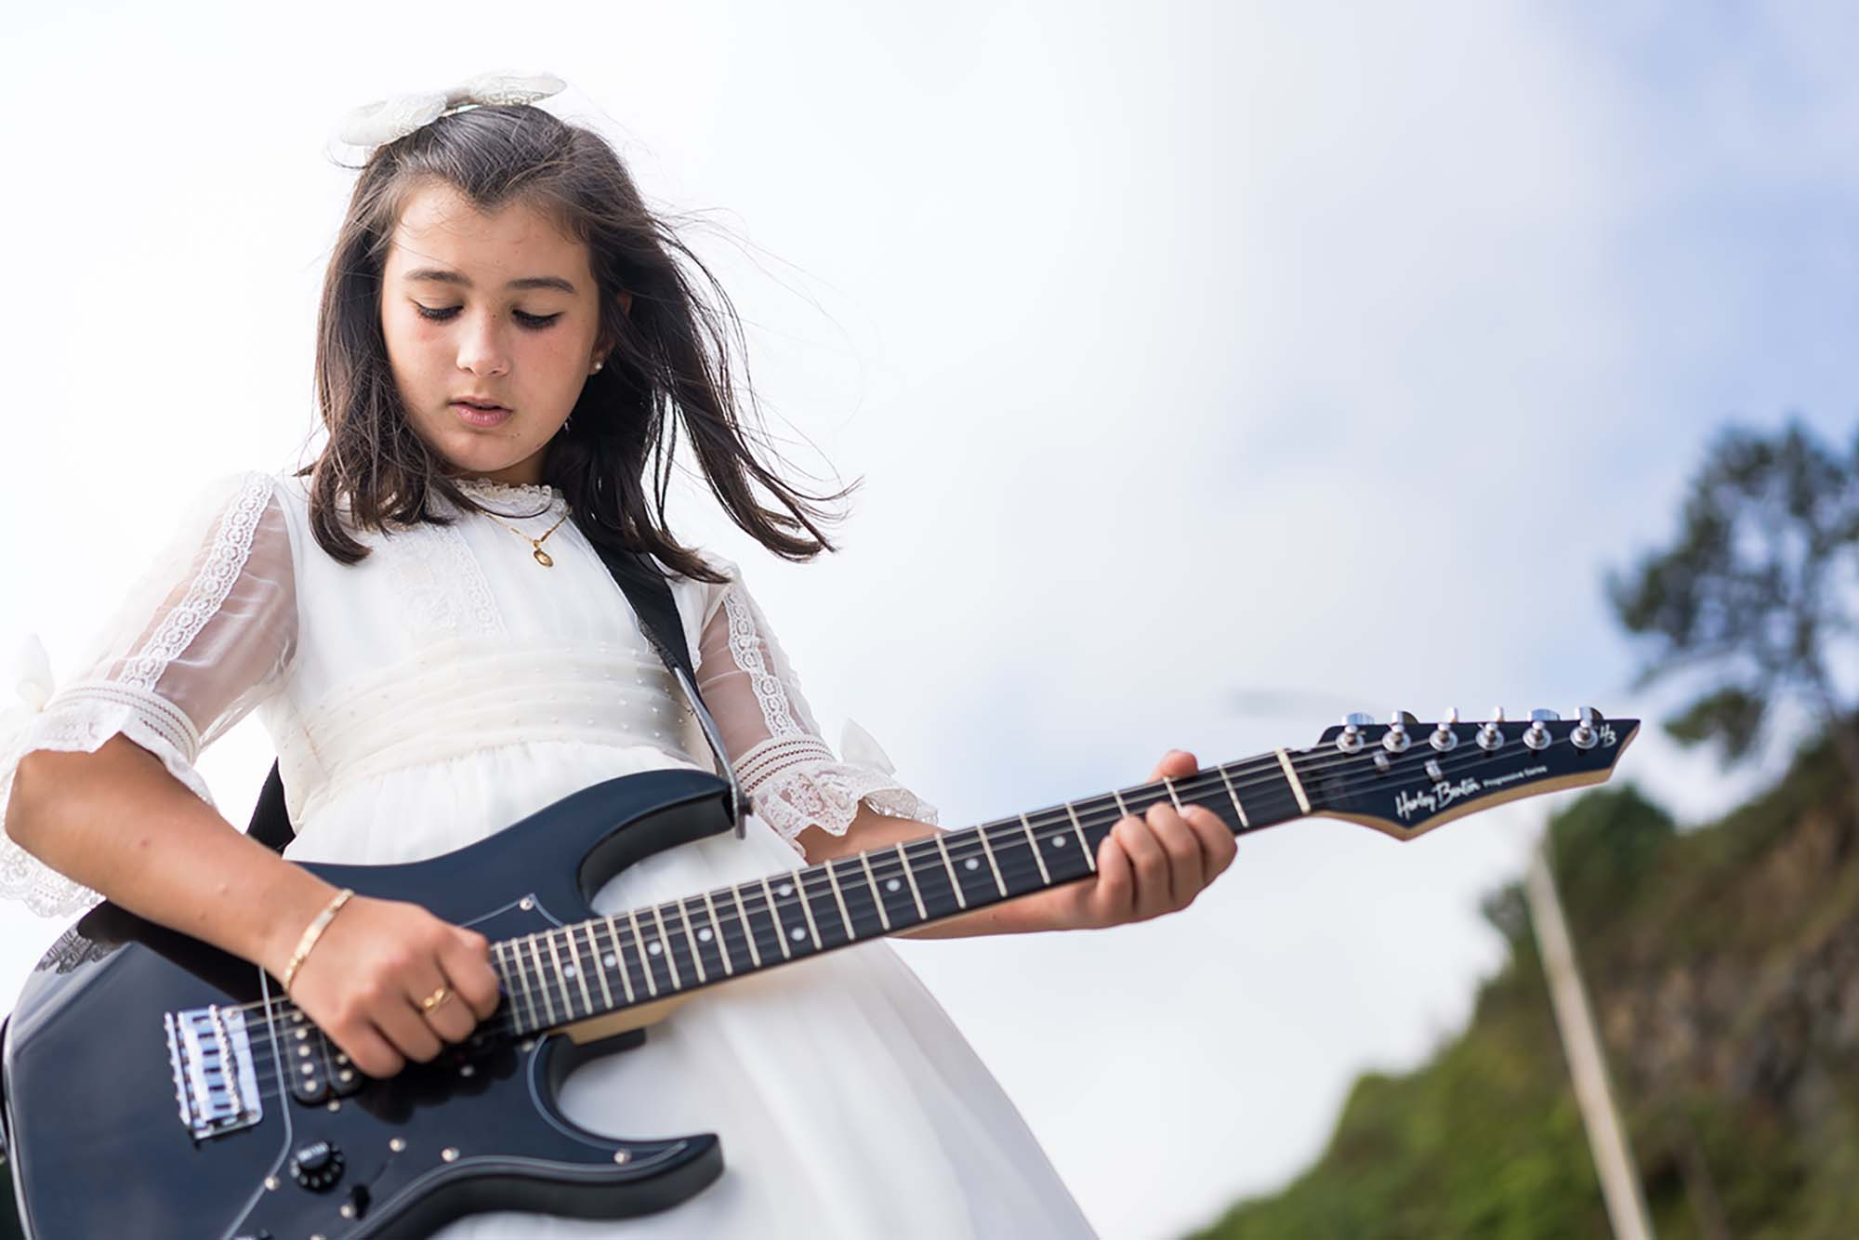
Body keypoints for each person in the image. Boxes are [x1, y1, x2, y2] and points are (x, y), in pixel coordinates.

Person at [0, 73, 1237, 1238]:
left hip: (766, 1043)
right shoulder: (286, 525)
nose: (481, 352)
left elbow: (830, 843)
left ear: (603, 333)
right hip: (425, 1086)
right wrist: (310, 933)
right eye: (438, 304)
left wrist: (1072, 885)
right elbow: (67, 784)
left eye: (535, 313)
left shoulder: (685, 594)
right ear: (372, 305)